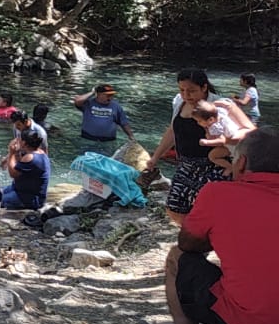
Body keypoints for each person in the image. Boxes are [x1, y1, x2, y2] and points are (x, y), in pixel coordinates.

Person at [158, 127, 279, 324]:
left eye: (233, 160)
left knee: (177, 257)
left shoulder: (218, 193)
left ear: (241, 163)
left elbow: (187, 243)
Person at [145, 70, 256, 223]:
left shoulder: (221, 105)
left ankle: (211, 241)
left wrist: (227, 139)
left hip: (215, 165)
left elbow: (251, 132)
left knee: (213, 212)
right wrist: (155, 157)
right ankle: (196, 240)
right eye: (182, 90)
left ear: (204, 88)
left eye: (191, 91)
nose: (186, 95)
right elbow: (172, 131)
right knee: (174, 208)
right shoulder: (179, 102)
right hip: (185, 164)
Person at [189, 100, 249, 173]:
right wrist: (218, 103)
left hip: (233, 147)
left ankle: (230, 167)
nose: (198, 123)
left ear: (211, 119)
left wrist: (207, 142)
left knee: (212, 156)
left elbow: (222, 141)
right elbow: (223, 107)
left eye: (199, 121)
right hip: (237, 143)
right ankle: (232, 167)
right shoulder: (220, 113)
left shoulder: (215, 127)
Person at [0, 129, 51, 210]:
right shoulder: (40, 152)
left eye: (19, 139)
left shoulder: (30, 157)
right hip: (20, 190)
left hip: (30, 198)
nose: (17, 140)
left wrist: (11, 153)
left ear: (23, 143)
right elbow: (19, 166)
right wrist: (16, 153)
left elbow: (13, 174)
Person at [72, 83, 136, 143]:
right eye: (108, 95)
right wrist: (92, 92)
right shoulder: (88, 103)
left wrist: (131, 136)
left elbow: (124, 123)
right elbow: (77, 101)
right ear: (99, 94)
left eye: (112, 95)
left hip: (108, 140)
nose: (110, 97)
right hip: (88, 138)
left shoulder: (116, 106)